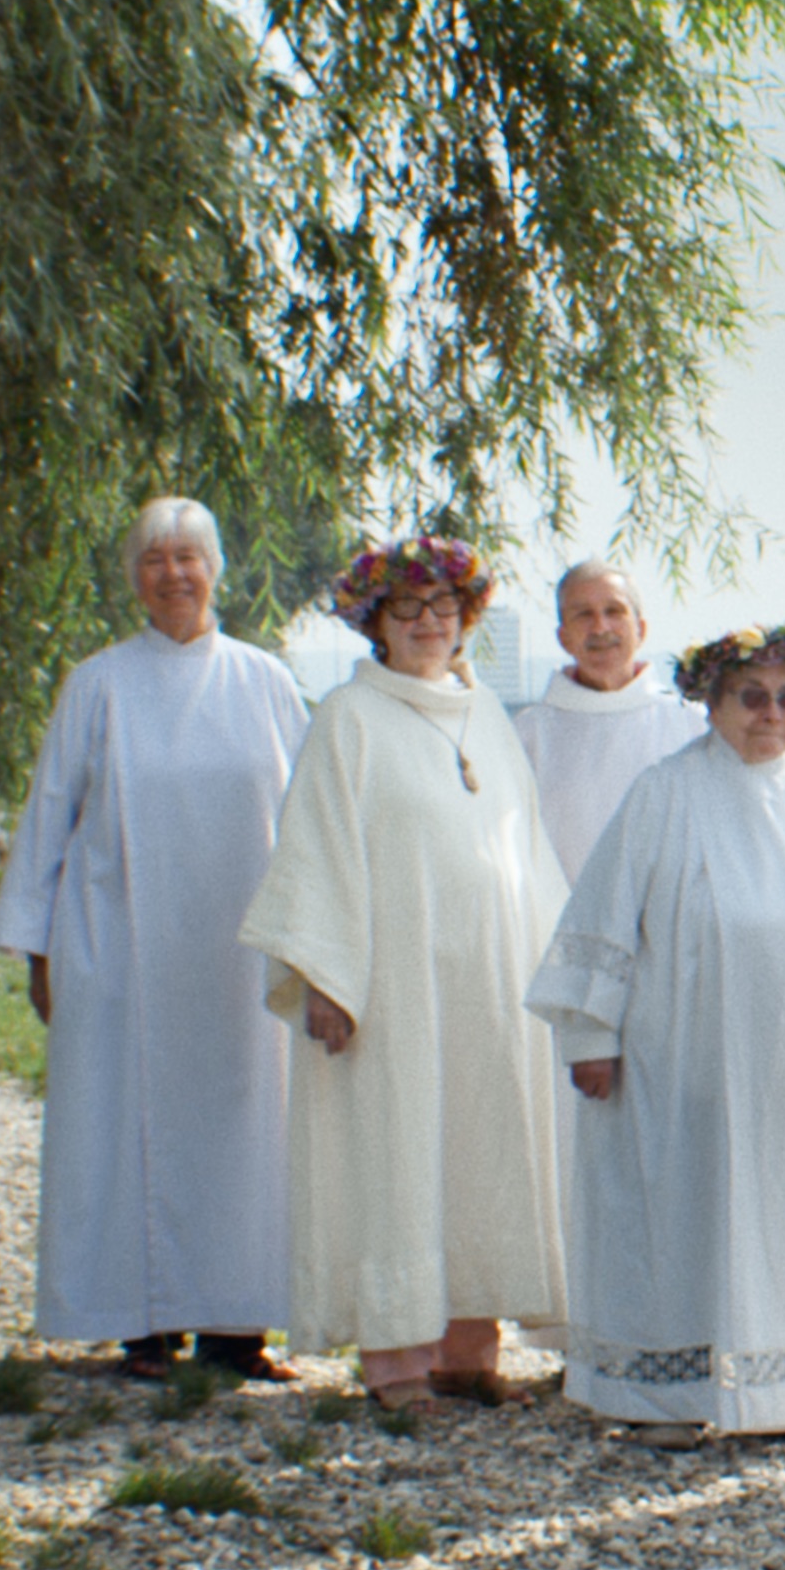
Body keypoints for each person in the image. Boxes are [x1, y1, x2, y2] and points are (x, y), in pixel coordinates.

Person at [236, 534, 568, 1412]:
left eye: (444, 607)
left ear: (467, 619)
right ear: (375, 623)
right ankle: (395, 1363)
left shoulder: (487, 716)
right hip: (394, 986)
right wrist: (326, 977)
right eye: (407, 608)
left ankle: (469, 1351)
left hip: (489, 985)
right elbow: (317, 846)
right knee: (399, 1156)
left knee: (480, 1151)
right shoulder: (349, 718)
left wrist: (555, 969)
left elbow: (525, 850)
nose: (428, 623)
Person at [531, 624, 785, 1451]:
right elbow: (604, 914)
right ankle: (666, 1394)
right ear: (712, 703)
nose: (772, 714)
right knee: (686, 1214)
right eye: (751, 697)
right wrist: (590, 1036)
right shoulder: (667, 791)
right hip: (686, 1053)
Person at [0, 497, 309, 1381]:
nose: (173, 574)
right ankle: (143, 1328)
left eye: (187, 557)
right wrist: (38, 951)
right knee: (124, 1128)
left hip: (241, 958)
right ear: (133, 577)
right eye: (154, 559)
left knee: (246, 1132)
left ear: (216, 569)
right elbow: (51, 815)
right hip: (119, 949)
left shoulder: (264, 682)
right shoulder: (97, 684)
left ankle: (239, 1331)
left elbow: (310, 818)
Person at [514, 560, 708, 883]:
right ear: (563, 637)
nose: (600, 627)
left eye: (614, 611)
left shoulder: (692, 723)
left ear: (640, 629)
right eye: (583, 614)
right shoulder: (529, 734)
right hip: (564, 911)